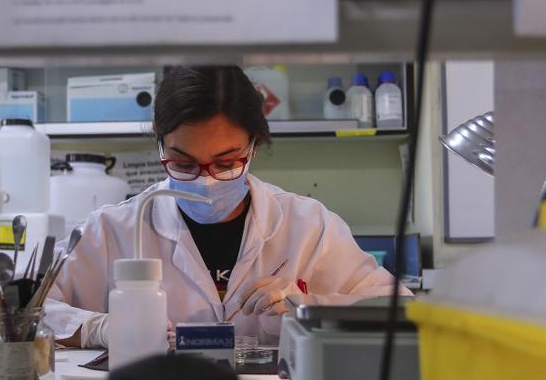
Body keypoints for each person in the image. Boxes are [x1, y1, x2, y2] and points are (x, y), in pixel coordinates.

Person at [46, 66, 407, 347]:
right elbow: (24, 309)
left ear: (254, 145)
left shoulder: (309, 227)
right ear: (160, 143)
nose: (206, 181)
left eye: (226, 163)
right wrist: (97, 329)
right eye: (184, 164)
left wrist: (310, 306)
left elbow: (400, 310)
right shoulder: (114, 230)